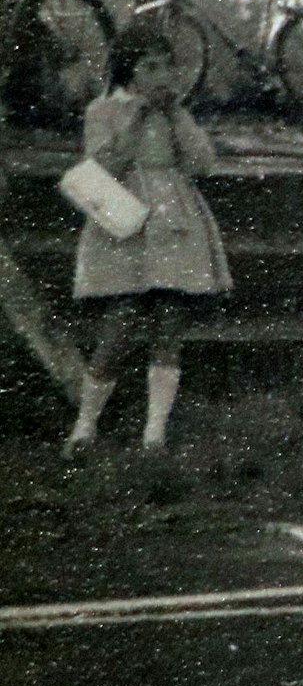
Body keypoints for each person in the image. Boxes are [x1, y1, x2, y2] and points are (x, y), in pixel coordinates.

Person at [65, 25, 232, 456]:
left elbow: (202, 163)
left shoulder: (174, 113)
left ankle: (154, 433)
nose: (162, 77)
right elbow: (102, 167)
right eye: (150, 67)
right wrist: (138, 117)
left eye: (166, 67)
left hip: (174, 219)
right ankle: (85, 426)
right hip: (125, 219)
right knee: (120, 322)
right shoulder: (103, 111)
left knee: (169, 320)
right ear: (128, 69)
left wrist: (176, 116)